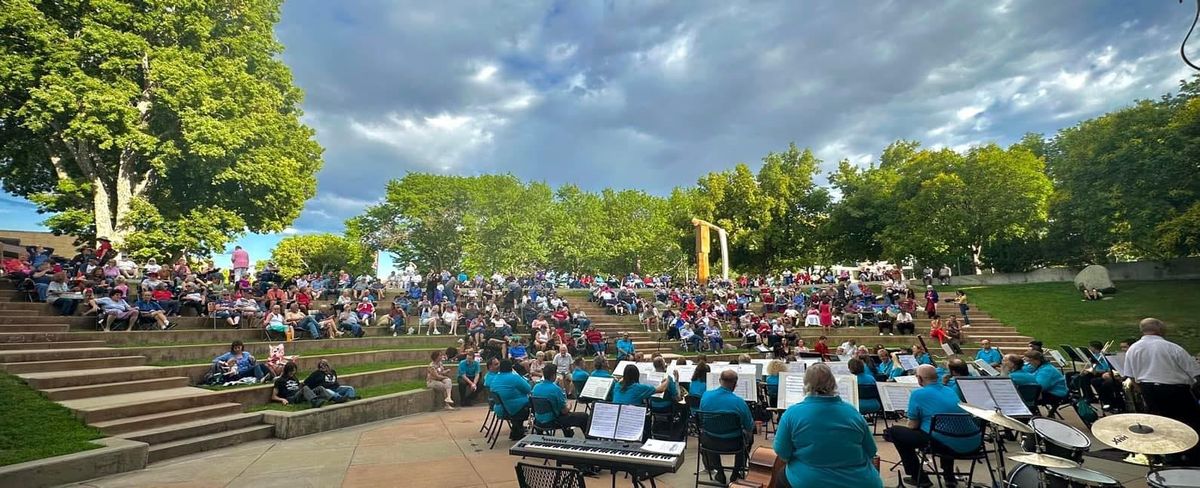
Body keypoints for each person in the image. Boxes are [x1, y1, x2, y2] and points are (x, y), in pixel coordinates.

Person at [774, 363, 882, 488]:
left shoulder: (791, 414)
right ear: (833, 383)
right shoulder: (853, 413)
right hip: (860, 481)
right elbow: (871, 450)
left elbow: (782, 452)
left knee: (781, 475)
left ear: (805, 384)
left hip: (809, 480)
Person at [884, 364, 978, 487]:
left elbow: (912, 425)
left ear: (919, 378)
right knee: (945, 430)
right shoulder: (949, 390)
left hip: (945, 445)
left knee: (895, 432)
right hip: (972, 442)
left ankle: (919, 477)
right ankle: (949, 476)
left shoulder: (918, 394)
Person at [1124, 318, 1200, 465]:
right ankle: (1192, 455)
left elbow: (1131, 376)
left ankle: (1171, 455)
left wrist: (1143, 391)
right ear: (1159, 329)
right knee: (1188, 423)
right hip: (1174, 390)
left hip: (1148, 389)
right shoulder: (1171, 347)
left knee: (1161, 424)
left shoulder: (1133, 349)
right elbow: (1194, 372)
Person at [699, 370, 755, 485]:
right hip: (733, 443)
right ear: (735, 385)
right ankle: (736, 472)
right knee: (749, 437)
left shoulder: (705, 396)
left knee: (709, 432)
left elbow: (701, 418)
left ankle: (719, 472)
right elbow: (749, 426)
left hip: (709, 442)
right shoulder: (739, 402)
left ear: (720, 381)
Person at [531, 364, 590, 437]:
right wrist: (569, 406)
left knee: (565, 415)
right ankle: (589, 439)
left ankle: (568, 433)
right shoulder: (555, 389)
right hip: (553, 421)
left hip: (538, 420)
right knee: (584, 416)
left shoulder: (536, 387)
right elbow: (564, 411)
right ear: (553, 375)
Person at [490, 359, 532, 440]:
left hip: (499, 409)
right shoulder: (514, 377)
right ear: (511, 368)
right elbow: (528, 389)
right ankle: (528, 429)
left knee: (519, 403)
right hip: (512, 410)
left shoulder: (495, 378)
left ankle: (516, 430)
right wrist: (516, 374)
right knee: (532, 403)